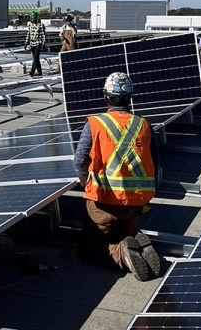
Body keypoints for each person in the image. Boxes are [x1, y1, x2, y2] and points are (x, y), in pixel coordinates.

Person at [73, 72, 161, 281]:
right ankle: (131, 238)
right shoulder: (144, 125)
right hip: (135, 203)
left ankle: (122, 254)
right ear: (129, 99)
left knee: (91, 245)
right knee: (124, 230)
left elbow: (79, 160)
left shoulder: (95, 124)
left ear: (105, 97)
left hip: (104, 201)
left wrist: (87, 183)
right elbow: (155, 163)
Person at [24, 11, 46, 77]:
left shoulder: (41, 25)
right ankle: (39, 71)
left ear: (36, 18)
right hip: (32, 43)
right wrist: (26, 42)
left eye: (33, 18)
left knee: (36, 57)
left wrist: (43, 44)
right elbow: (28, 34)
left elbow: (43, 35)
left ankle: (32, 71)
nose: (31, 20)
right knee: (35, 58)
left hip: (38, 43)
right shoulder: (30, 25)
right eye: (31, 18)